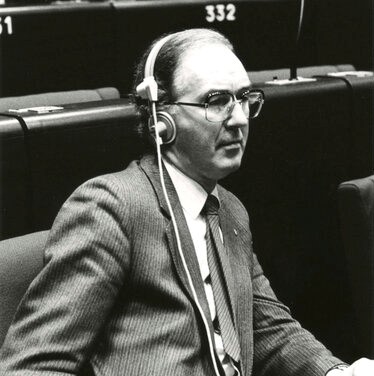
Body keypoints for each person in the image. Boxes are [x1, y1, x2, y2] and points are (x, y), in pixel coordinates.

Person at [0, 28, 372, 376]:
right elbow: (34, 366)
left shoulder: (229, 210)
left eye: (244, 98)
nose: (240, 119)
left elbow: (267, 327)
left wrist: (338, 372)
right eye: (217, 101)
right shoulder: (111, 207)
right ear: (162, 118)